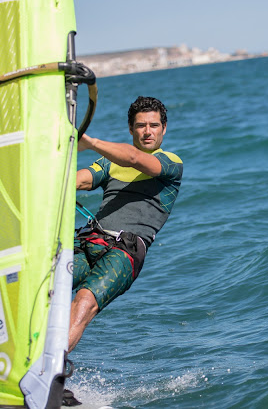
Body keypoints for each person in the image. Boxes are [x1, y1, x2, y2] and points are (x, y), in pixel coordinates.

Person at [69, 96, 183, 352]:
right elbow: (79, 180)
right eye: (141, 125)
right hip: (88, 241)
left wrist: (89, 142)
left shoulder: (170, 164)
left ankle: (48, 372)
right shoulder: (109, 163)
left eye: (154, 125)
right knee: (46, 285)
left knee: (84, 302)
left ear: (164, 128)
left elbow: (132, 158)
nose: (147, 131)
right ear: (131, 129)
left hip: (125, 252)